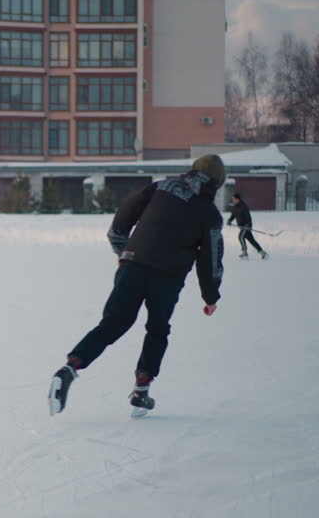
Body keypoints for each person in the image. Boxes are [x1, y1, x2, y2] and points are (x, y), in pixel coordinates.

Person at [48, 154, 226, 418]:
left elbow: (121, 220)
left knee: (112, 323)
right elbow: (209, 259)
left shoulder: (159, 187)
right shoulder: (209, 213)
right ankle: (141, 390)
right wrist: (210, 296)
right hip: (168, 276)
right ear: (218, 183)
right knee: (157, 329)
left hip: (133, 265)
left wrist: (124, 252)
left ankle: (70, 368)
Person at [227, 191, 267, 260]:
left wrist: (248, 225)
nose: (233, 200)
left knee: (241, 237)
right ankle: (262, 252)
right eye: (233, 199)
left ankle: (244, 252)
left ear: (238, 199)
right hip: (242, 227)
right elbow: (233, 215)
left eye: (234, 199)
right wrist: (229, 221)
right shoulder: (235, 207)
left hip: (246, 226)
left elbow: (248, 217)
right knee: (251, 240)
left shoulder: (243, 206)